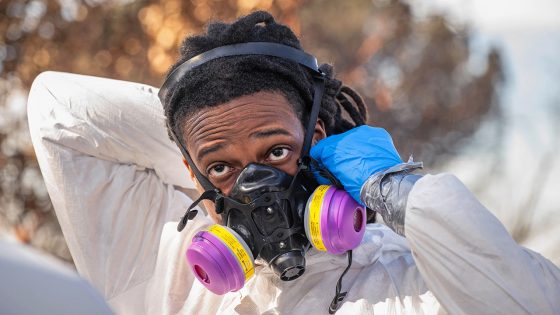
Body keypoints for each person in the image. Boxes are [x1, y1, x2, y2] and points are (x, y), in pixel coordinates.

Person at [27, 11, 559, 315]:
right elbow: (56, 110)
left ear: (319, 141)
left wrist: (395, 190)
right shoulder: (167, 271)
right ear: (190, 173)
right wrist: (191, 122)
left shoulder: (407, 284)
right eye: (222, 167)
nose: (254, 185)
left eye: (276, 152)